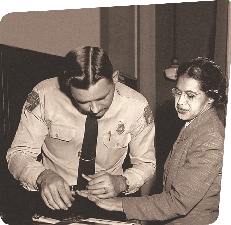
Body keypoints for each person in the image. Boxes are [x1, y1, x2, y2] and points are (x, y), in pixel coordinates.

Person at [6, 46, 156, 221]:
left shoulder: (136, 106)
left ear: (114, 78)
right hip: (53, 202)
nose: (94, 109)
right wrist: (42, 176)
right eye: (82, 101)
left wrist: (121, 182)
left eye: (102, 98)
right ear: (67, 87)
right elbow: (18, 154)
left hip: (109, 203)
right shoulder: (44, 95)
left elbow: (146, 164)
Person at [78, 57, 227, 225]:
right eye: (178, 92)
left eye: (190, 95)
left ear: (211, 98)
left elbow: (178, 202)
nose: (180, 102)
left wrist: (118, 204)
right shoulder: (195, 124)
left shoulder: (210, 137)